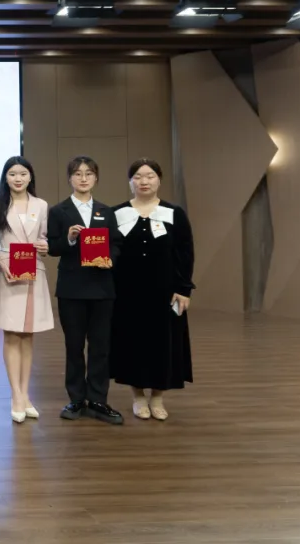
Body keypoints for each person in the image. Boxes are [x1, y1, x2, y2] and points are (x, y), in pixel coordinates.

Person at [111, 158, 194, 421]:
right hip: (127, 292)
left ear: (159, 180)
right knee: (132, 342)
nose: (143, 181)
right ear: (130, 182)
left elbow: (185, 253)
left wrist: (184, 289)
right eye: (137, 177)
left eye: (149, 176)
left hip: (166, 291)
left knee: (164, 342)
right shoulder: (117, 213)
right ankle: (137, 396)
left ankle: (157, 396)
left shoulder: (174, 213)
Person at [47, 156, 123, 425]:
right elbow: (53, 247)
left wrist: (110, 258)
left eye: (88, 173)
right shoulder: (59, 211)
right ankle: (77, 398)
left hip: (102, 288)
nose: (83, 178)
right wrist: (69, 238)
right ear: (70, 178)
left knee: (101, 346)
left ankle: (98, 399)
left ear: (96, 178)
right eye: (77, 174)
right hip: (72, 289)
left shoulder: (106, 211)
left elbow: (116, 244)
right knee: (74, 346)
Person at [0, 155, 53, 423]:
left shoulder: (41, 204)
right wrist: (0, 260)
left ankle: (26, 395)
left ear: (30, 177)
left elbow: (44, 239)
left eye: (23, 174)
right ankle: (15, 394)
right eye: (13, 174)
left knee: (28, 335)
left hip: (34, 272)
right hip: (8, 271)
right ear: (5, 177)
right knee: (12, 334)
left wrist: (45, 247)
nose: (18, 178)